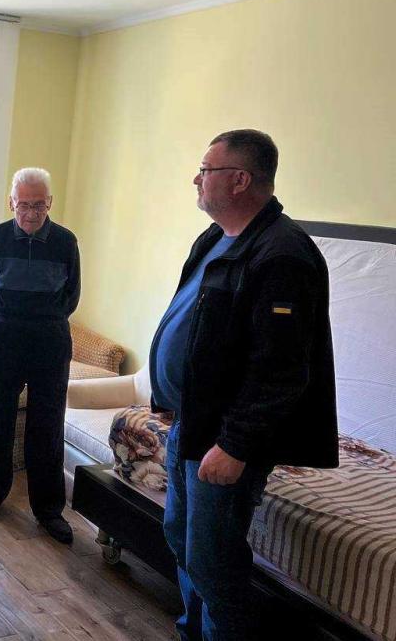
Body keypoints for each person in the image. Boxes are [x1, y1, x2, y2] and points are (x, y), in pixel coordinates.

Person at [154, 129, 338, 640]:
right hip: (192, 422)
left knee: (213, 561)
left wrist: (235, 445)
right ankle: (193, 631)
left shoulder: (283, 255)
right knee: (181, 537)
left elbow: (281, 370)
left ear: (239, 180)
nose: (196, 179)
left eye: (205, 170)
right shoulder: (215, 238)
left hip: (225, 436)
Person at [0, 167, 80, 543]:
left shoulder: (65, 241)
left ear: (49, 203)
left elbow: (72, 295)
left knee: (47, 427)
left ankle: (49, 509)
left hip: (50, 341)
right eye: (23, 205)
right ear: (11, 202)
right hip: (1, 340)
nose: (31, 213)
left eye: (38, 205)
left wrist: (41, 320)